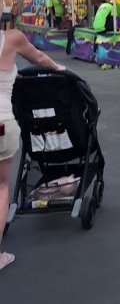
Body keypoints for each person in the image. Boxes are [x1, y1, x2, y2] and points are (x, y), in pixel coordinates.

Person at [0, 28, 66, 271]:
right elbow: (38, 58)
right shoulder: (12, 38)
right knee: (1, 185)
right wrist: (59, 68)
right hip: (2, 122)